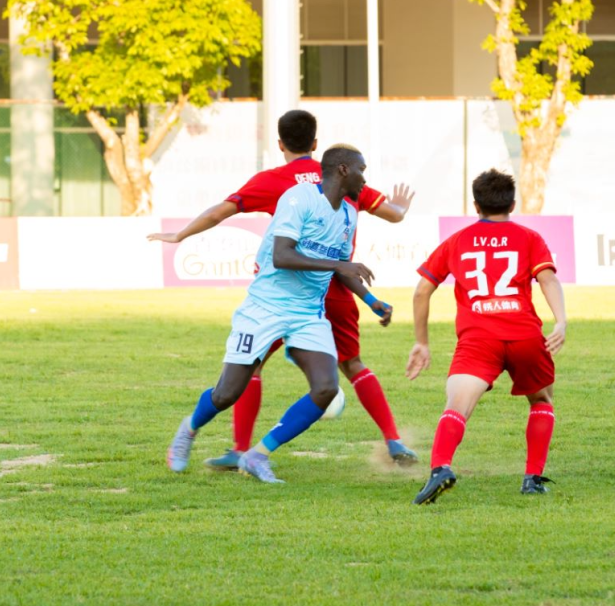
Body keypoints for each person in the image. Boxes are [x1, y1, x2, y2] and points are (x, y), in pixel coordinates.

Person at [148, 110, 419, 467]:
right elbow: (391, 214)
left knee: (281, 375)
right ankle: (393, 440)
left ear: (280, 144)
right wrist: (399, 209)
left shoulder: (282, 181)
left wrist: (181, 234)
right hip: (301, 292)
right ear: (316, 144)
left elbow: (219, 213)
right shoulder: (326, 185)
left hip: (312, 295)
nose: (364, 177)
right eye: (362, 172)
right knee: (350, 364)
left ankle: (246, 451)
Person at [405, 169, 567, 505]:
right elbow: (548, 279)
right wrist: (561, 321)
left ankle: (440, 468)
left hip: (479, 338)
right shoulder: (530, 237)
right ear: (513, 204)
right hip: (525, 336)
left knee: (457, 407)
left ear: (476, 205)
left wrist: (422, 341)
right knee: (541, 401)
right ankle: (532, 479)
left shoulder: (457, 241)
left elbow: (422, 290)